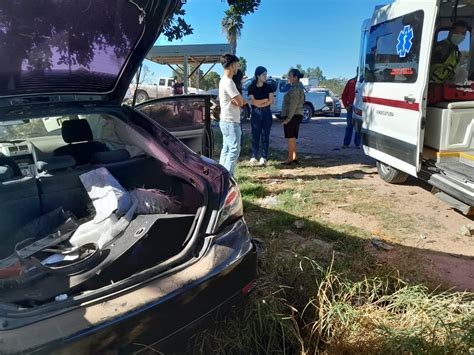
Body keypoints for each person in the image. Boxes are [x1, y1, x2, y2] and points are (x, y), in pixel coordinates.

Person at [218, 54, 245, 176]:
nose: (237, 68)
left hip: (225, 120)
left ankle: (220, 176)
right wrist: (239, 101)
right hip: (231, 121)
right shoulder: (229, 82)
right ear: (232, 64)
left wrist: (237, 101)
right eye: (237, 65)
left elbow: (237, 101)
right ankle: (227, 180)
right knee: (234, 150)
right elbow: (240, 101)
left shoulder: (223, 80)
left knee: (226, 149)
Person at [248, 66, 274, 166]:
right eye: (263, 74)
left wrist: (260, 103)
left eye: (266, 74)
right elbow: (253, 102)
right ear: (258, 75)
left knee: (265, 135)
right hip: (255, 113)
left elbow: (271, 101)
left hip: (267, 113)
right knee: (255, 135)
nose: (265, 76)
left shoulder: (269, 86)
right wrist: (265, 100)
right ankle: (254, 156)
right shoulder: (252, 87)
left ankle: (264, 157)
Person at [281, 69, 305, 165]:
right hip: (297, 115)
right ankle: (294, 156)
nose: (288, 77)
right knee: (293, 137)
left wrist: (288, 119)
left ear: (295, 77)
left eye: (290, 76)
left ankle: (290, 158)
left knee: (290, 137)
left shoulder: (295, 89)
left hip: (293, 115)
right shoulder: (298, 87)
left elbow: (293, 105)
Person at [341, 75, 361, 149]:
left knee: (358, 127)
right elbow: (344, 95)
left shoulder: (363, 83)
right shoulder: (351, 82)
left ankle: (357, 144)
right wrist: (346, 106)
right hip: (350, 108)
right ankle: (346, 144)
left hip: (359, 108)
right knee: (349, 126)